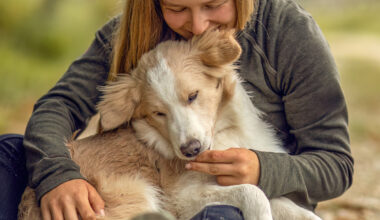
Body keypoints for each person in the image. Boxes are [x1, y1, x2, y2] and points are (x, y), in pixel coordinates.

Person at [0, 0, 354, 219]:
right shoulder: (129, 35)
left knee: (225, 216)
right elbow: (57, 106)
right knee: (8, 152)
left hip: (226, 203)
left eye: (213, 3)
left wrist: (264, 169)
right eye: (177, 8)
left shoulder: (286, 31)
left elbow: (335, 165)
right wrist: (59, 176)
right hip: (143, 189)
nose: (197, 26)